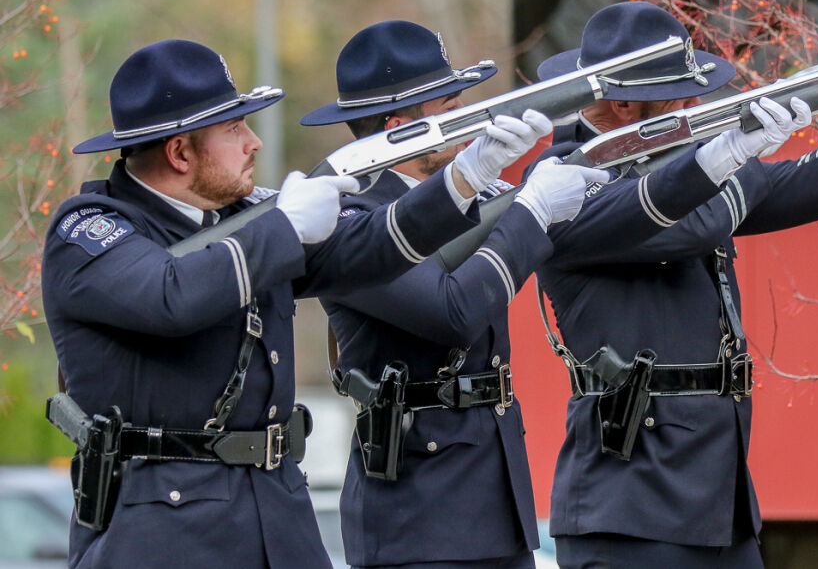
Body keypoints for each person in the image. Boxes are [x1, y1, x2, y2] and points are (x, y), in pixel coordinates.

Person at [41, 39, 550, 569]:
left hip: (278, 519)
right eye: (234, 129)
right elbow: (170, 295)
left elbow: (367, 249)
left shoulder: (247, 223)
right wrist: (285, 227)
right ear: (180, 153)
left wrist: (465, 177)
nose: (254, 143)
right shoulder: (90, 234)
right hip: (164, 533)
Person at [299, 20, 778, 569]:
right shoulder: (349, 222)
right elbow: (453, 311)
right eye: (447, 104)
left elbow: (633, 210)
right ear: (398, 127)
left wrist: (714, 161)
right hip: (413, 515)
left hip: (495, 505)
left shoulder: (469, 199)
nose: (463, 114)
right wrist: (530, 209)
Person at [530, 2, 818, 568]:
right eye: (681, 95)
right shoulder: (567, 186)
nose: (696, 105)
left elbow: (814, 182)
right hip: (631, 510)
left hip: (716, 501)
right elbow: (696, 221)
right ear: (623, 105)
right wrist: (737, 148)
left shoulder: (679, 171)